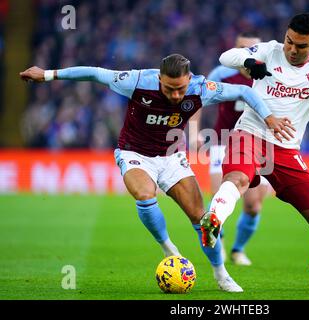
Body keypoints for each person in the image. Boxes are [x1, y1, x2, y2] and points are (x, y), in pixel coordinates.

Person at [19, 54, 294, 292]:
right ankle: (168, 248)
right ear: (159, 78)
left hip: (172, 156)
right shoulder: (137, 81)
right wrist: (47, 74)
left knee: (203, 220)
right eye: (169, 88)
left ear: (189, 80)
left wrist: (269, 116)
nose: (176, 95)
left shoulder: (201, 88)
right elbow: (95, 74)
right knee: (144, 193)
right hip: (134, 153)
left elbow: (245, 92)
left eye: (181, 89)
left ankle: (221, 274)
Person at [200, 13, 309, 290]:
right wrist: (248, 61)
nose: (292, 50)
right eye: (289, 42)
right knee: (238, 179)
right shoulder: (269, 51)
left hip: (286, 151)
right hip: (249, 133)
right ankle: (214, 221)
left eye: (301, 46)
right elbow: (226, 57)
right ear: (285, 36)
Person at [205, 32, 271, 266]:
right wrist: (192, 131)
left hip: (259, 143)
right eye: (242, 48)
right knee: (217, 194)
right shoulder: (222, 75)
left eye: (252, 49)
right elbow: (196, 97)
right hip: (223, 139)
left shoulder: (272, 76)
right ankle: (218, 242)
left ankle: (238, 250)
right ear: (235, 49)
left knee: (253, 206)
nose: (247, 54)